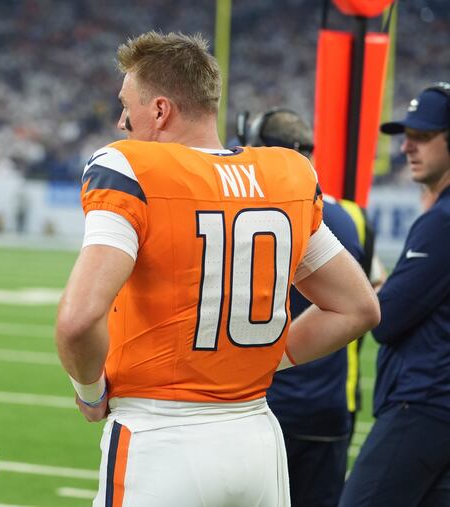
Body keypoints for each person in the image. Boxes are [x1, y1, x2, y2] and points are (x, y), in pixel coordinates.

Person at [55, 31, 380, 507]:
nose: (122, 120)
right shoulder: (286, 174)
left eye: (128, 105)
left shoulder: (129, 167)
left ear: (161, 110)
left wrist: (89, 392)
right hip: (257, 437)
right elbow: (358, 308)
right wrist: (266, 358)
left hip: (160, 437)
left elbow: (78, 320)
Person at [242, 108, 376, 507]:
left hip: (267, 400)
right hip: (331, 400)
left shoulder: (258, 211)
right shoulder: (352, 215)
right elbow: (372, 289)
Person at [340, 83, 450, 507]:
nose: (406, 148)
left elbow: (383, 320)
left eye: (423, 137)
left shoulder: (441, 222)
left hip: (422, 402)